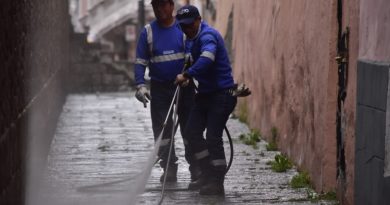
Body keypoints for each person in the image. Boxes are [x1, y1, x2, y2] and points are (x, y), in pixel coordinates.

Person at [175, 5, 238, 195]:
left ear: (198, 20)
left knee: (212, 137)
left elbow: (207, 59)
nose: (187, 28)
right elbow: (190, 59)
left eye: (189, 24)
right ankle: (206, 172)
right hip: (205, 95)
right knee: (191, 132)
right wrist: (187, 78)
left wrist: (187, 74)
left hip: (222, 95)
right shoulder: (190, 40)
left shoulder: (208, 36)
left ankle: (217, 182)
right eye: (183, 26)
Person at [134, 0, 199, 183]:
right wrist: (140, 85)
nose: (159, 9)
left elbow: (194, 54)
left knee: (190, 129)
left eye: (163, 5)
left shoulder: (183, 28)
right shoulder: (148, 32)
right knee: (162, 130)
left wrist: (188, 76)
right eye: (156, 6)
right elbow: (140, 62)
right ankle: (169, 167)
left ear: (172, 6)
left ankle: (196, 168)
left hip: (184, 87)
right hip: (160, 89)